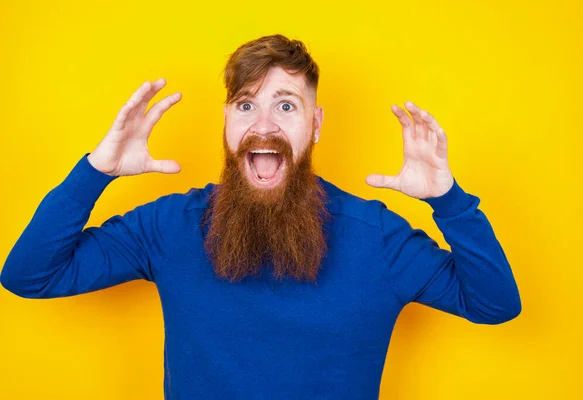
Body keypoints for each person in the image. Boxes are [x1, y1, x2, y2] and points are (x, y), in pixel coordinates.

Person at [0, 34, 521, 399]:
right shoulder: (171, 226)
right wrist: (97, 171)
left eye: (287, 106)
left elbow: (495, 303)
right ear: (226, 121)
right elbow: (29, 276)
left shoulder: (377, 237)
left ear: (315, 125)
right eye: (245, 105)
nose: (264, 125)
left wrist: (448, 200)